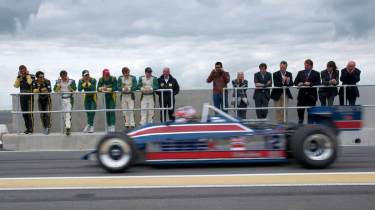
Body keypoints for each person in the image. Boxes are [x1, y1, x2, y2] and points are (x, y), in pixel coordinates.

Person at [294, 59, 321, 124]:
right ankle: (300, 127)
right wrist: (299, 83)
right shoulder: (300, 72)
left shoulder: (316, 73)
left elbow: (318, 83)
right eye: (305, 65)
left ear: (311, 66)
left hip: (311, 97)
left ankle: (310, 127)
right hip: (302, 96)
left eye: (307, 65)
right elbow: (295, 82)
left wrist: (310, 83)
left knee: (311, 114)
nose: (305, 66)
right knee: (300, 113)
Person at [54, 70, 77, 136]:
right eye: (62, 76)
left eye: (65, 75)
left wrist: (68, 84)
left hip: (69, 98)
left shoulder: (71, 81)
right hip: (62, 99)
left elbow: (74, 89)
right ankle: (67, 127)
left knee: (68, 113)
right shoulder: (58, 81)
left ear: (66, 75)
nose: (64, 77)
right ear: (61, 76)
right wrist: (58, 84)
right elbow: (55, 90)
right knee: (64, 115)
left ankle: (68, 128)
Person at [14, 65, 35, 134]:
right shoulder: (20, 77)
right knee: (24, 113)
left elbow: (30, 83)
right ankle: (27, 128)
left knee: (29, 113)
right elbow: (16, 86)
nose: (22, 72)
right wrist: (18, 77)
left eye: (23, 70)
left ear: (26, 69)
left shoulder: (31, 76)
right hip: (22, 96)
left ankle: (31, 129)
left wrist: (27, 75)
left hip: (29, 96)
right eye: (21, 70)